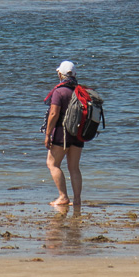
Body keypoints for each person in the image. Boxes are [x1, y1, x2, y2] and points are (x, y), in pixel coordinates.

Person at [42, 60, 84, 209]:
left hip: (62, 134)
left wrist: (47, 134)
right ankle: (77, 200)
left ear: (61, 74)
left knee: (52, 164)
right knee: (74, 167)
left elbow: (54, 113)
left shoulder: (59, 91)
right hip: (78, 134)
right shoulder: (80, 91)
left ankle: (63, 197)